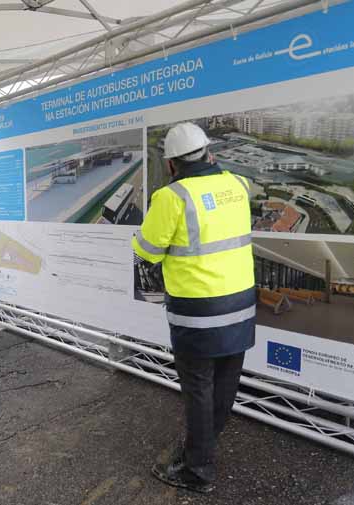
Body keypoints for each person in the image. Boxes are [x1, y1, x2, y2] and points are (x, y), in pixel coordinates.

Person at [133, 123, 255, 494]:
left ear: (171, 164)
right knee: (225, 383)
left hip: (198, 310)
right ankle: (204, 445)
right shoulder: (239, 185)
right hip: (241, 304)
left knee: (199, 387)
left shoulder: (171, 198)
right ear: (209, 153)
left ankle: (197, 469)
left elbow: (147, 251)